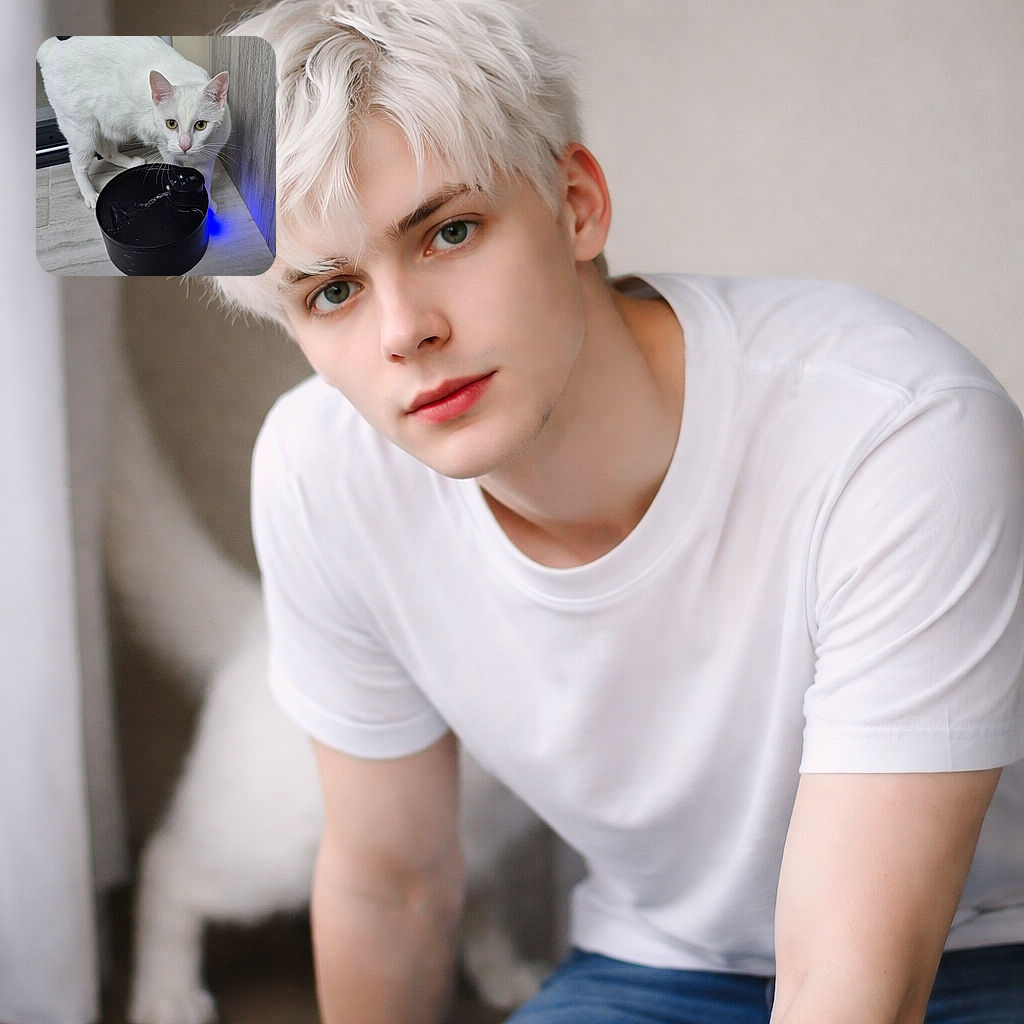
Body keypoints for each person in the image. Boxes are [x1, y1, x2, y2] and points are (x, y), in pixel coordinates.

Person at [214, 1, 1024, 1021]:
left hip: (985, 940)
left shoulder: (896, 431)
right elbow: (392, 883)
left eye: (448, 231)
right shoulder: (318, 470)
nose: (404, 331)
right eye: (330, 291)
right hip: (661, 963)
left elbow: (850, 981)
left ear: (577, 202)